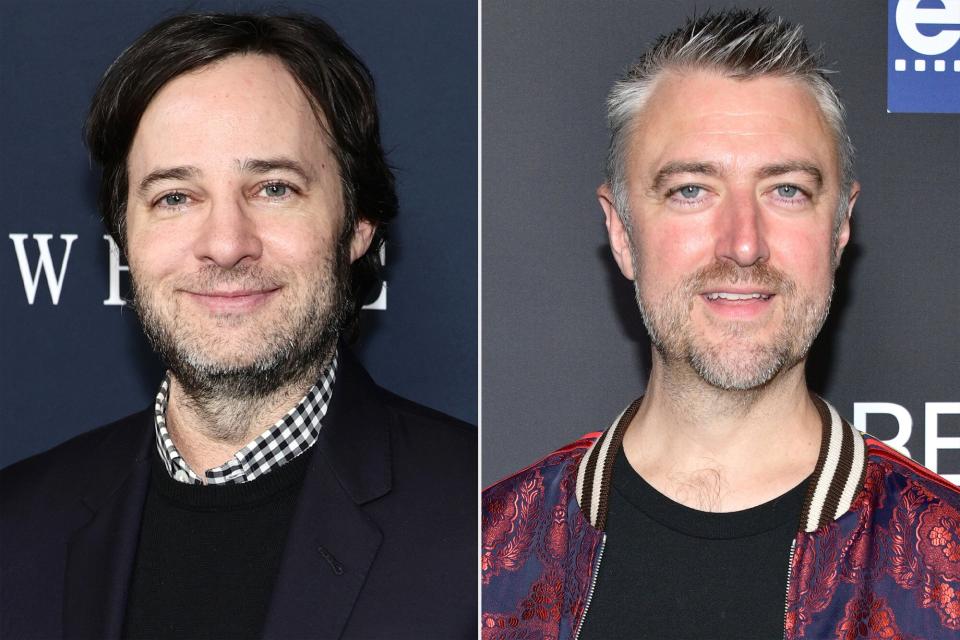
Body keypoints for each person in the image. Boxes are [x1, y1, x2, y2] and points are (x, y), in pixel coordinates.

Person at [482, 9, 959, 639]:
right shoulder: (487, 557)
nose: (742, 244)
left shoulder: (946, 564)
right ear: (621, 233)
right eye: (690, 190)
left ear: (840, 227)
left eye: (786, 190)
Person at [1, 13, 475, 639]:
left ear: (358, 225)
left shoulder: (492, 524)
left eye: (273, 188)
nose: (226, 244)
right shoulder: (16, 525)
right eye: (175, 197)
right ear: (123, 238)